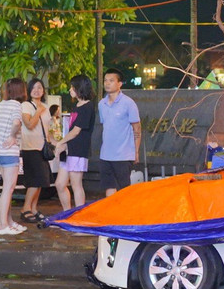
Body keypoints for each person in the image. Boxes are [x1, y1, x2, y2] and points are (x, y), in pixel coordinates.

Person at [0, 77, 26, 235]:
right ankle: (3, 225)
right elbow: (17, 123)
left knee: (7, 189)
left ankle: (9, 221)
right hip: (9, 152)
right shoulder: (16, 105)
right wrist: (12, 136)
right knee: (8, 189)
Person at [53, 74, 95, 210]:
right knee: (60, 184)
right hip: (70, 150)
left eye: (72, 87)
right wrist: (64, 144)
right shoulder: (77, 106)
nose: (70, 90)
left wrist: (60, 142)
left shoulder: (87, 107)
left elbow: (76, 131)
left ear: (79, 88)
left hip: (79, 150)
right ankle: (68, 212)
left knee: (76, 184)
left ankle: (79, 216)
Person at [97, 69, 141, 197]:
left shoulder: (128, 103)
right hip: (105, 155)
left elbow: (137, 128)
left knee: (124, 190)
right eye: (105, 80)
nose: (107, 83)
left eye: (111, 80)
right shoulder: (101, 104)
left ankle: (126, 210)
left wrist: (136, 151)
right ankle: (112, 210)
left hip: (123, 155)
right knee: (109, 187)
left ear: (120, 83)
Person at [18, 78, 54, 223]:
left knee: (41, 181)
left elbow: (48, 129)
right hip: (30, 147)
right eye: (33, 87)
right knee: (34, 181)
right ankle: (25, 208)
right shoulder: (26, 105)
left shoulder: (46, 107)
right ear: (29, 90)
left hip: (42, 148)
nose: (37, 90)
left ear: (43, 90)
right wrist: (38, 111)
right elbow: (29, 124)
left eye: (39, 87)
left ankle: (33, 208)